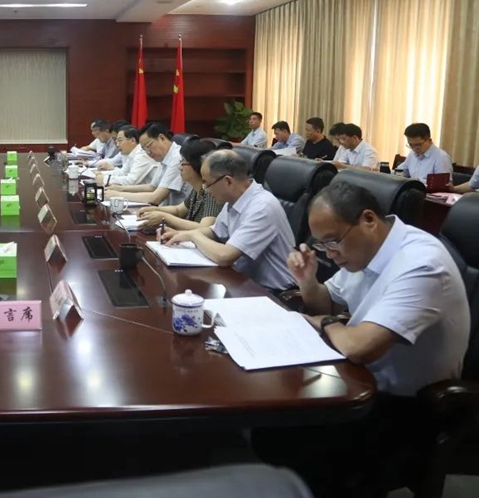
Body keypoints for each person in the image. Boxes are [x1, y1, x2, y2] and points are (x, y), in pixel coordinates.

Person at [255, 181, 469, 496]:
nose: (331, 254)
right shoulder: (366, 250)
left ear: (368, 220)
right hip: (358, 383)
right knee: (270, 423)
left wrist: (326, 324)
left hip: (408, 408)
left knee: (287, 440)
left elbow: (360, 347)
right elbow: (327, 303)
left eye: (332, 242)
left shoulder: (421, 263)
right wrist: (307, 281)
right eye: (322, 245)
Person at [164, 150, 296, 291]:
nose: (205, 190)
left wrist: (193, 236)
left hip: (275, 293)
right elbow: (215, 232)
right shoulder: (234, 200)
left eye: (206, 183)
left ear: (228, 181)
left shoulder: (262, 207)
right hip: (243, 282)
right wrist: (180, 235)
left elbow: (225, 256)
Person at [137, 139, 222, 232]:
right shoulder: (197, 189)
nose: (180, 167)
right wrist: (155, 210)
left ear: (197, 164)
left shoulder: (212, 191)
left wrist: (165, 217)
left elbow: (205, 228)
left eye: (183, 162)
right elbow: (179, 210)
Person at [104, 123, 189, 206]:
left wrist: (118, 195)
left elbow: (156, 198)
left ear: (162, 138)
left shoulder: (177, 158)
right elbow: (152, 187)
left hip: (176, 213)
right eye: (144, 149)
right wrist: (121, 188)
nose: (148, 152)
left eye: (148, 146)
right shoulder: (165, 157)